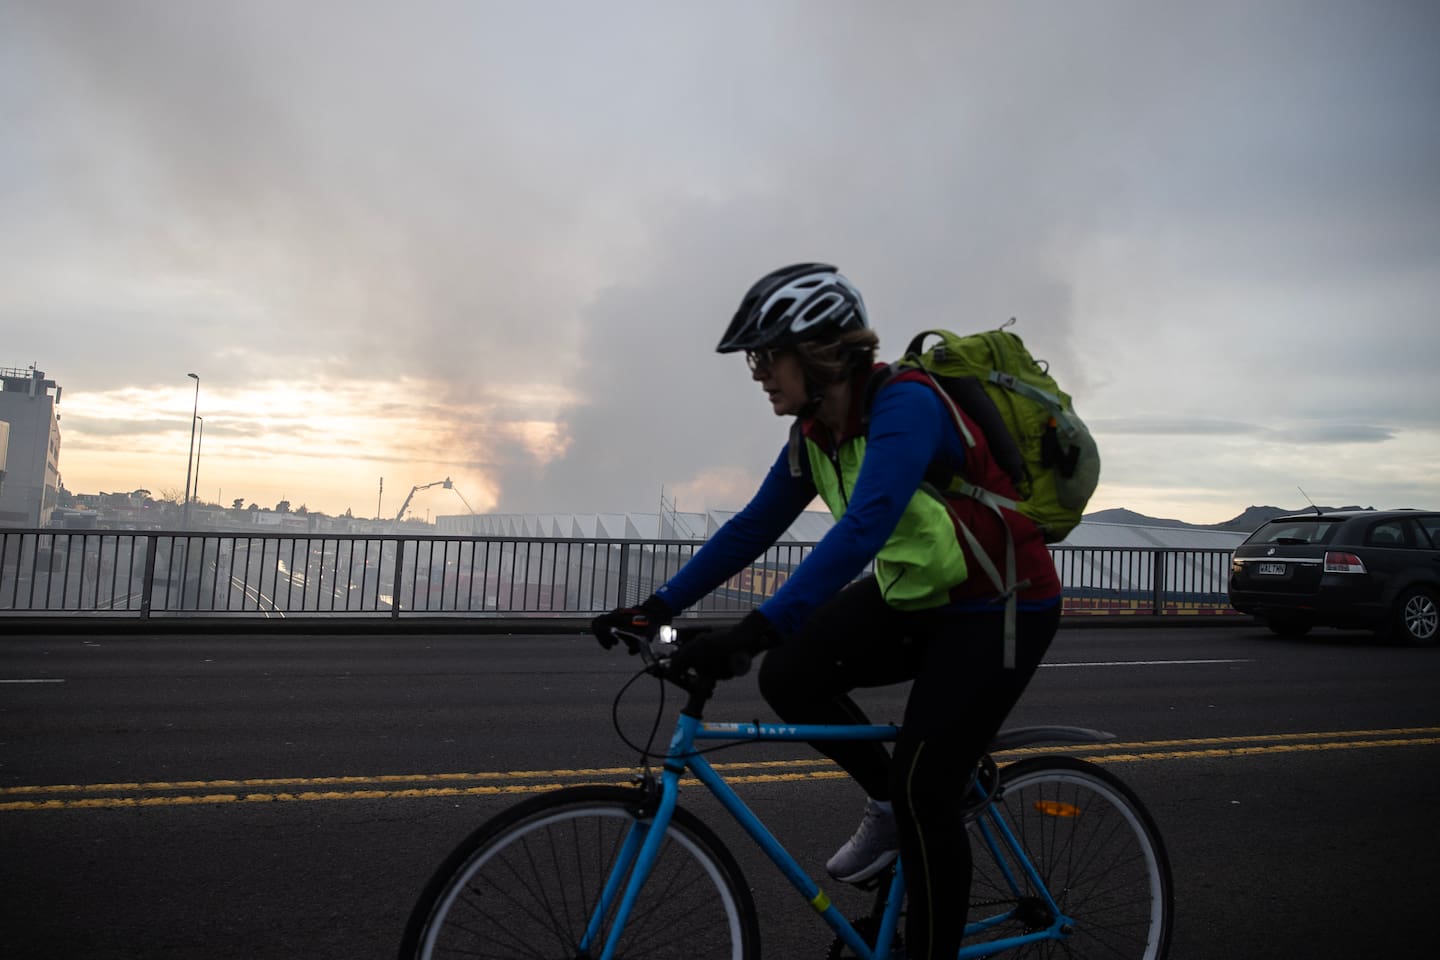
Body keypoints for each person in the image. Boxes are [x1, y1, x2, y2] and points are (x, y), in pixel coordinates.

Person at [591, 262, 1062, 959]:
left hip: (1001, 604)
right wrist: (654, 605)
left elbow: (865, 525)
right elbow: (752, 529)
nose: (757, 373)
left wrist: (756, 627)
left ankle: (915, 826)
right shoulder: (813, 436)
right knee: (790, 674)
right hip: (920, 592)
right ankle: (889, 803)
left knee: (925, 791)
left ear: (818, 352)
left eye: (766, 354)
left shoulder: (906, 406)